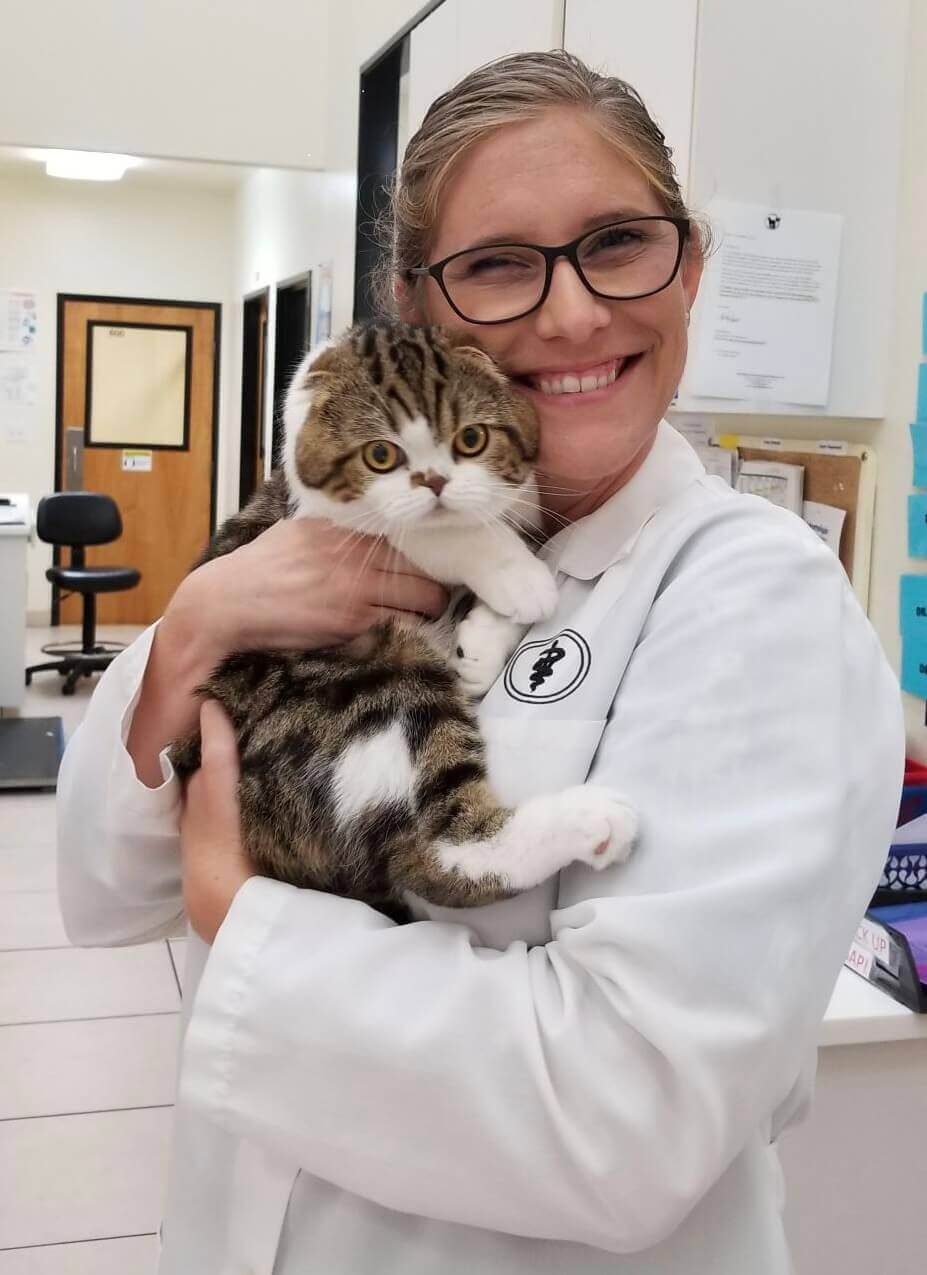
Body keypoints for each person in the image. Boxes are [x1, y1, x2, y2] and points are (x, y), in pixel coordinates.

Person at [57, 50, 903, 1275]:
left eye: (617, 242)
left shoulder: (750, 595)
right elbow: (102, 894)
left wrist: (242, 922)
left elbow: (625, 1121)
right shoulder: (335, 530)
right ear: (422, 306)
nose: (570, 315)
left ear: (692, 263)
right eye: (501, 264)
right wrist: (193, 629)